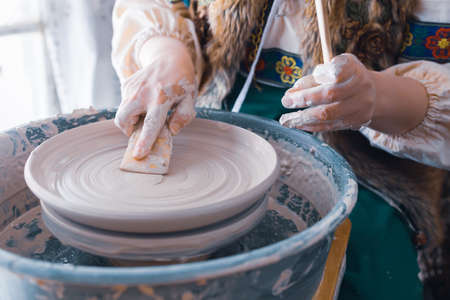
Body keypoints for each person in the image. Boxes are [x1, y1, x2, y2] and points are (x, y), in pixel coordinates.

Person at [111, 1, 450, 299]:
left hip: (370, 164)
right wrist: (167, 53)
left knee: (368, 268)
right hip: (211, 126)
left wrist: (379, 97)